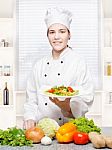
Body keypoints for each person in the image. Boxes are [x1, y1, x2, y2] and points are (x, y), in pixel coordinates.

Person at [23, 7, 94, 129]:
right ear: (47, 36)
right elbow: (31, 98)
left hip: (69, 131)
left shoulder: (78, 62)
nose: (56, 37)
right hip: (42, 130)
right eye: (52, 32)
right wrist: (29, 117)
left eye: (62, 31)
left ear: (69, 34)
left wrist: (67, 107)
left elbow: (86, 97)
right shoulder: (39, 65)